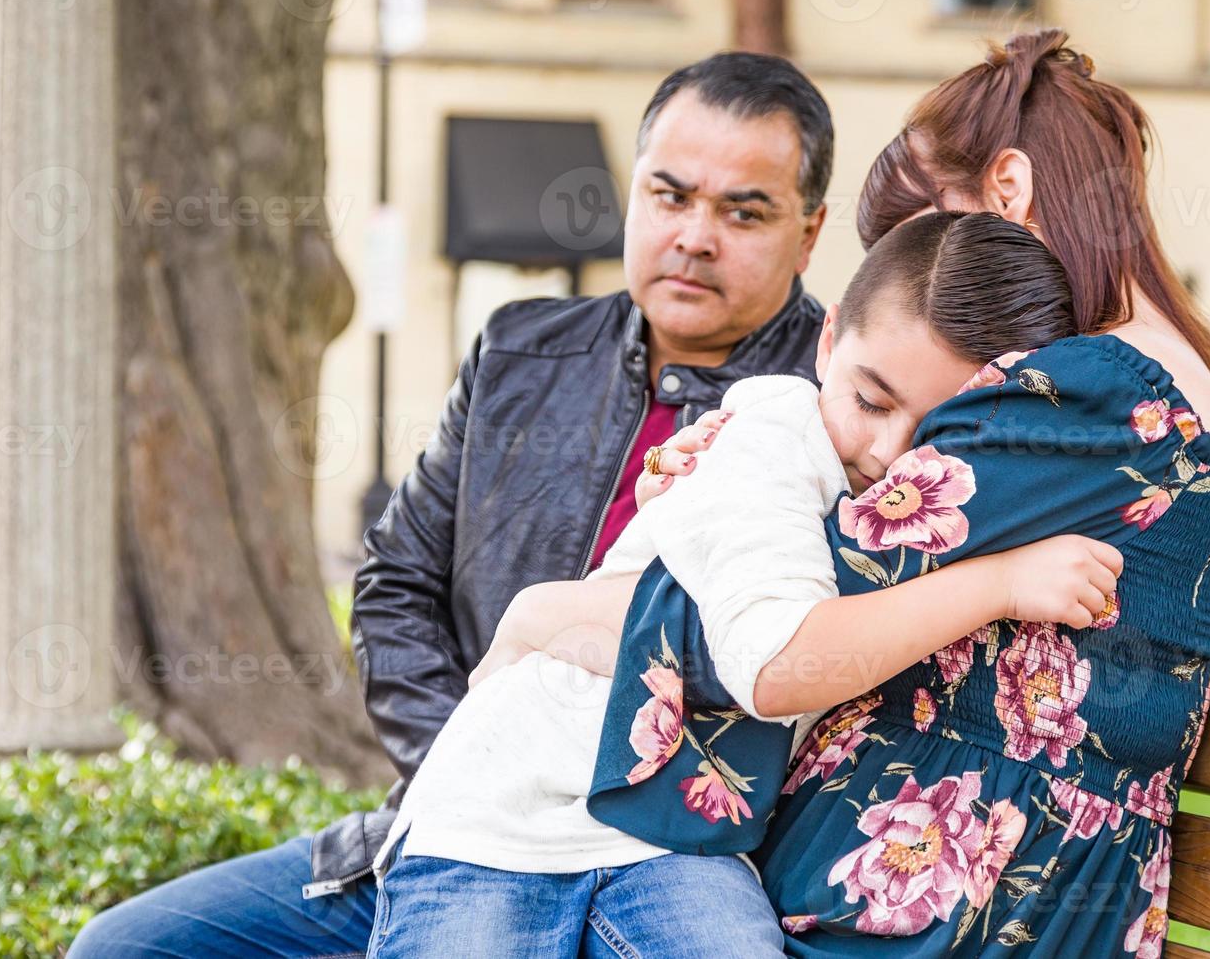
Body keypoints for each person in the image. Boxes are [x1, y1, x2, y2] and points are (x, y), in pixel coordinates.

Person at [68, 50, 835, 958]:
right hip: (457, 830)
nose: (695, 235)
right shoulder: (520, 350)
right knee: (127, 948)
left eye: (743, 212)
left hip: (674, 854)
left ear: (809, 232)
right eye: (669, 196)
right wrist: (467, 777)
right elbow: (396, 581)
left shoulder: (833, 409)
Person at [583, 29, 1210, 955]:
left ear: (1007, 193)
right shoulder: (1136, 382)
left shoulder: (1090, 391)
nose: (931, 297)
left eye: (938, 239)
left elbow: (780, 621)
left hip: (918, 915)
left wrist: (718, 494)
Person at [365, 211, 1121, 958]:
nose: (891, 451)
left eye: (938, 432)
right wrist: (1004, 584)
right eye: (869, 400)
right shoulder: (768, 439)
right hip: (508, 812)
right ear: (827, 343)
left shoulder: (949, 504)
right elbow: (776, 663)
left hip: (680, 839)